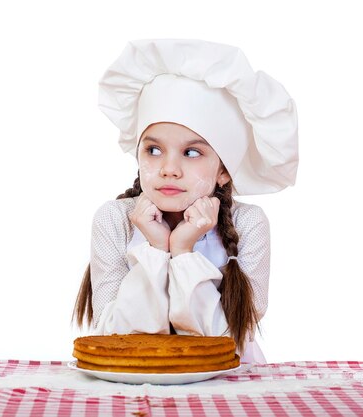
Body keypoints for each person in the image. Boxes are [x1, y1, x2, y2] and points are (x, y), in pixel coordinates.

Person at [73, 39, 298, 363]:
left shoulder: (249, 224)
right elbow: (114, 335)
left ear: (223, 170)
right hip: (135, 382)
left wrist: (181, 252)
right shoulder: (114, 219)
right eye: (153, 149)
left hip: (230, 387)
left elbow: (226, 339)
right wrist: (156, 248)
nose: (169, 169)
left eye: (192, 152)